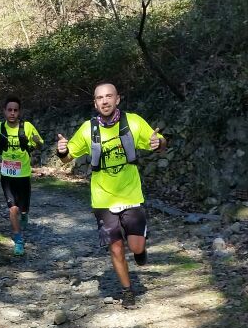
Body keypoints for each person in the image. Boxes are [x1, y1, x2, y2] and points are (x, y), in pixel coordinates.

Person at [56, 82, 166, 308]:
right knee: (115, 247)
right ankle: (127, 291)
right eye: (100, 98)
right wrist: (62, 150)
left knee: (136, 247)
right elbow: (67, 158)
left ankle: (140, 251)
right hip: (102, 198)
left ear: (118, 99)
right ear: (95, 103)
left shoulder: (133, 122)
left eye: (109, 96)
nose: (104, 101)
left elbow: (160, 144)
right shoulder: (87, 129)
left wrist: (159, 142)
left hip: (130, 194)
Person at [0, 98, 44, 256]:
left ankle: (25, 214)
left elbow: (40, 144)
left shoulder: (27, 127)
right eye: (9, 110)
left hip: (23, 175)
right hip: (7, 175)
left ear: (19, 112)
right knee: (13, 209)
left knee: (23, 209)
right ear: (4, 111)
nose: (12, 113)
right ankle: (18, 241)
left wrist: (36, 142)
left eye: (15, 110)